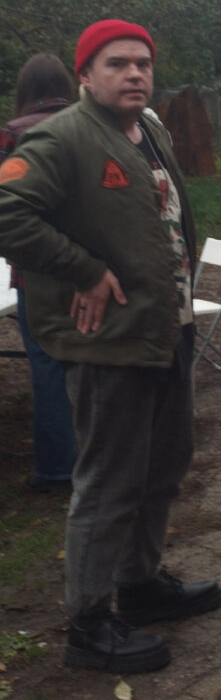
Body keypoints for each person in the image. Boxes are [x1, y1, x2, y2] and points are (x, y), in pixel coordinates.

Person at [0, 20, 221, 675]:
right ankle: (90, 623)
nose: (134, 74)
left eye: (143, 63)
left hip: (164, 328)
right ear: (85, 76)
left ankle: (140, 584)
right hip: (108, 344)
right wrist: (85, 270)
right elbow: (8, 213)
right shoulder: (60, 137)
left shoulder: (148, 129)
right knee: (109, 482)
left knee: (164, 464)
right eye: (117, 64)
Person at [0, 54, 79, 491]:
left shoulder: (12, 134)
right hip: (93, 271)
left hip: (36, 274)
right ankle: (99, 455)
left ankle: (57, 467)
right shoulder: (86, 127)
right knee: (92, 360)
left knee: (47, 364)